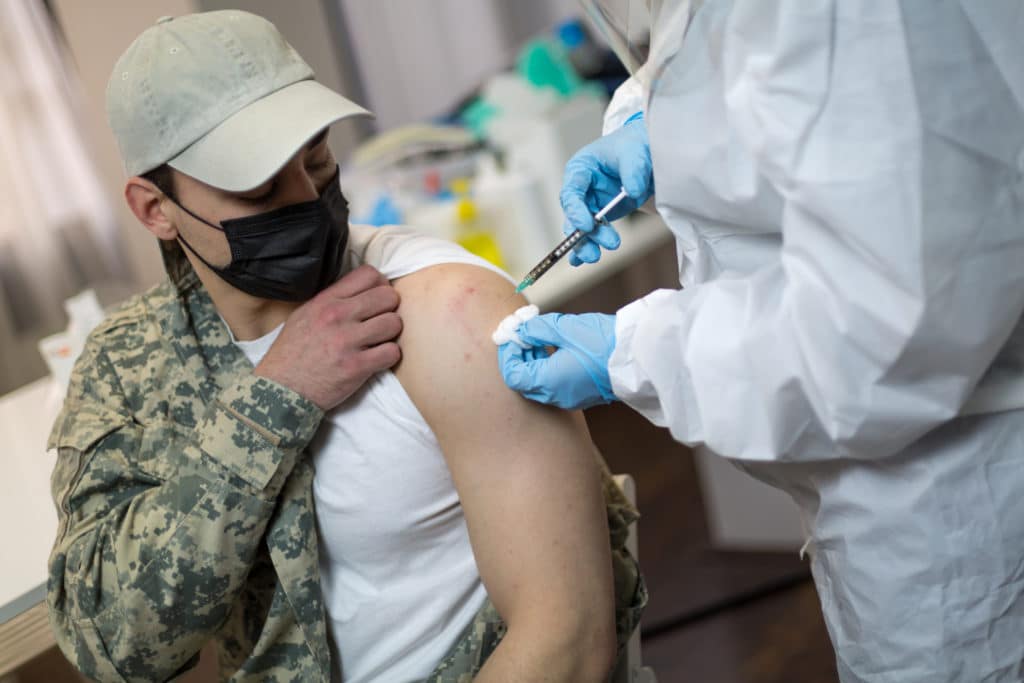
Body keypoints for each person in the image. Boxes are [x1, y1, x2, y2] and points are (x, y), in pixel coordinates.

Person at [46, 10, 645, 682]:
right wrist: (271, 401)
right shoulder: (126, 361)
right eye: (258, 185)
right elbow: (110, 645)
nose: (306, 197)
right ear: (155, 208)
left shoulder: (445, 312)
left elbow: (568, 642)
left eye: (316, 155)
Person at [499, 1, 1024, 681]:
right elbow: (805, 88)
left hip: (952, 496)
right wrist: (656, 125)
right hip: (888, 475)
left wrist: (633, 352)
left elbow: (879, 334)